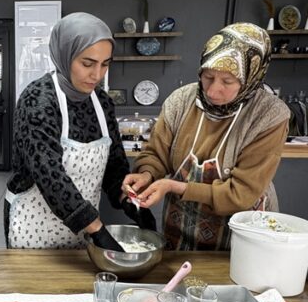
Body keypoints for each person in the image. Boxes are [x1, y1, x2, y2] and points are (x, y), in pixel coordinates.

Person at [123, 23, 290, 251]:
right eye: (208, 77)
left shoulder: (269, 115)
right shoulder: (182, 100)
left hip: (241, 236)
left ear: (251, 76)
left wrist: (176, 187)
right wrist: (146, 174)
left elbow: (241, 194)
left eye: (227, 82)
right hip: (180, 229)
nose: (212, 91)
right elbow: (156, 154)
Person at [5, 12, 154, 250]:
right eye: (87, 63)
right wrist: (98, 231)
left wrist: (125, 197)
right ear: (65, 55)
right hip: (34, 226)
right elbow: (49, 175)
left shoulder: (102, 102)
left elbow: (115, 164)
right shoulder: (37, 100)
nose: (97, 75)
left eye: (105, 64)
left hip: (85, 229)